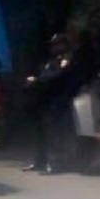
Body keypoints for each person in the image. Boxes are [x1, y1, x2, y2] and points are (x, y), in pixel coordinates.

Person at [24, 33, 75, 175]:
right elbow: (45, 75)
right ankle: (40, 161)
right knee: (41, 132)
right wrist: (35, 82)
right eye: (53, 44)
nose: (55, 47)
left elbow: (56, 76)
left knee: (53, 133)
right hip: (45, 100)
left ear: (64, 45)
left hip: (57, 100)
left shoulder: (65, 60)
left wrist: (37, 80)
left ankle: (54, 163)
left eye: (58, 44)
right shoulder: (50, 60)